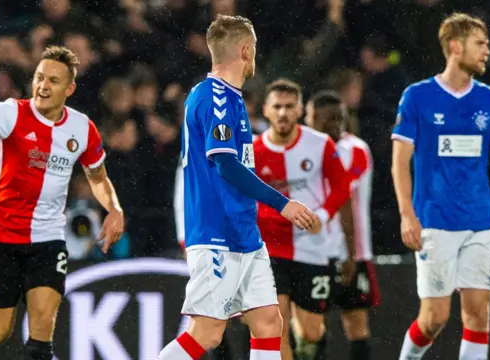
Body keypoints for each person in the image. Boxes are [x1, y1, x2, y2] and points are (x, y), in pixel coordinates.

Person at [0, 28, 125, 360]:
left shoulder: (82, 128)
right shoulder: (11, 114)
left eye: (53, 81)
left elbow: (98, 177)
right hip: (1, 234)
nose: (43, 86)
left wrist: (114, 209)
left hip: (48, 238)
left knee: (41, 337)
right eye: (39, 77)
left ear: (69, 88)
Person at [157, 14, 320, 360]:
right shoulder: (213, 97)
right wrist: (282, 203)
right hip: (217, 233)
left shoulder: (232, 99)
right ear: (246, 50)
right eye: (255, 49)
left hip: (244, 233)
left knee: (268, 322)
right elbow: (227, 166)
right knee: (207, 333)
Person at [391, 13, 490, 360]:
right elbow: (399, 160)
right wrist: (407, 213)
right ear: (456, 46)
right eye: (480, 44)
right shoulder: (417, 96)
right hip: (434, 222)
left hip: (480, 222)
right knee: (435, 318)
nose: (487, 51)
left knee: (478, 315)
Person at [253, 79, 353, 360]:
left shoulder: (320, 144)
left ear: (299, 110)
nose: (283, 113)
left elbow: (342, 186)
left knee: (311, 331)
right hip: (269, 248)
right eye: (277, 107)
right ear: (266, 111)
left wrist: (321, 215)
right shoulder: (253, 150)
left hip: (311, 247)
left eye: (289, 106)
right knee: (276, 324)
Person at [304, 90, 380, 360]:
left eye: (340, 118)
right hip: (312, 251)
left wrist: (349, 253)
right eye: (326, 119)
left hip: (354, 251)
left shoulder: (355, 150)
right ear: (310, 119)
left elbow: (340, 192)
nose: (335, 125)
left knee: (356, 323)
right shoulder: (300, 150)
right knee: (310, 327)